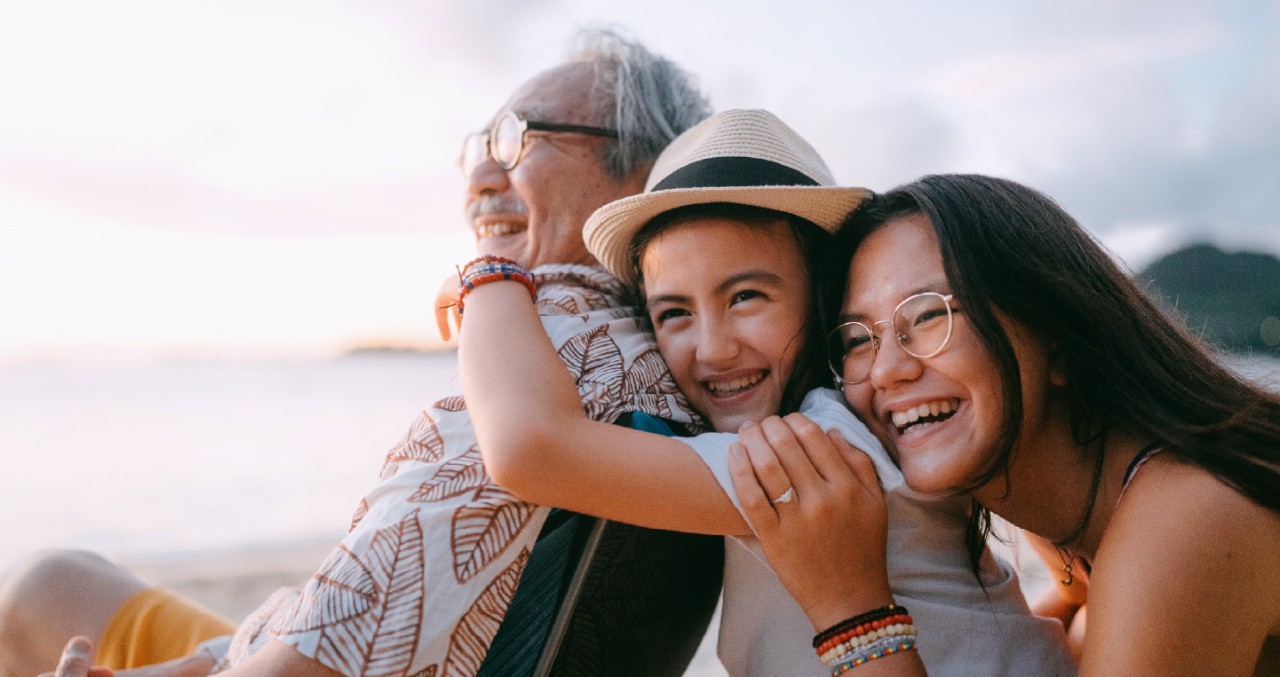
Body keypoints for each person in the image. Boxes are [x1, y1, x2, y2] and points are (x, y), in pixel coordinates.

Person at [4, 27, 723, 677]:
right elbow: (355, 610)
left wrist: (489, 283)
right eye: (477, 147)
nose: (478, 178)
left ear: (643, 174)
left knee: (43, 592)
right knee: (65, 577)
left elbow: (325, 653)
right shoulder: (680, 359)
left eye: (516, 138)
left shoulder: (536, 358)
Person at [455, 109, 1076, 675]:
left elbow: (528, 450)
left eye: (746, 297)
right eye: (673, 313)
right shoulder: (869, 424)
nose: (714, 348)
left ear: (827, 299)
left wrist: (489, 278)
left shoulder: (811, 450)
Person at [731, 173, 1280, 674]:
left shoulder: (1186, 516)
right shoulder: (1063, 536)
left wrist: (852, 610)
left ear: (1057, 333)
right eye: (856, 340)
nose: (886, 370)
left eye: (928, 316)